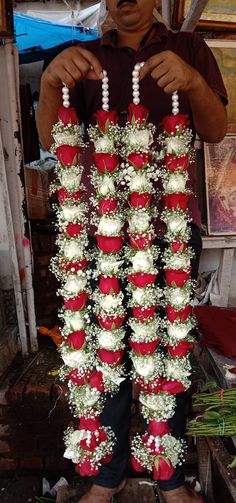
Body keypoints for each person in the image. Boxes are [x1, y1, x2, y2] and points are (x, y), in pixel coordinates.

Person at [38, 1, 227, 502]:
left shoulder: (188, 48)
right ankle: (108, 474)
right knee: (106, 358)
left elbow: (213, 130)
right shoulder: (78, 57)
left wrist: (191, 81)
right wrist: (50, 85)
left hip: (167, 225)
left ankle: (169, 477)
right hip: (96, 231)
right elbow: (50, 139)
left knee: (168, 353)